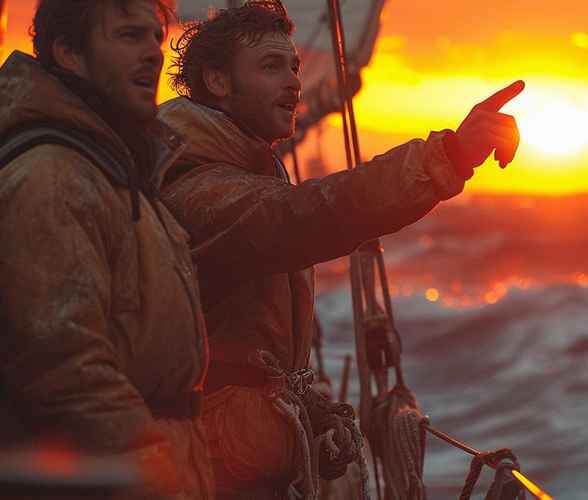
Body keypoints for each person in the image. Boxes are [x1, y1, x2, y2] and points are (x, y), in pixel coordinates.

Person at [159, 1, 523, 498]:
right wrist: (450, 156)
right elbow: (306, 216)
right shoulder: (197, 185)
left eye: (293, 67)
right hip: (214, 474)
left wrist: (303, 408)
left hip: (238, 458)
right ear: (218, 82)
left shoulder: (245, 170)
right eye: (270, 66)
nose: (292, 82)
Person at [0, 1, 214, 498]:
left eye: (155, 40)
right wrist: (154, 469)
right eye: (128, 37)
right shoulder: (53, 175)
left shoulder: (113, 168)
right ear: (69, 53)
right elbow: (63, 364)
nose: (152, 55)